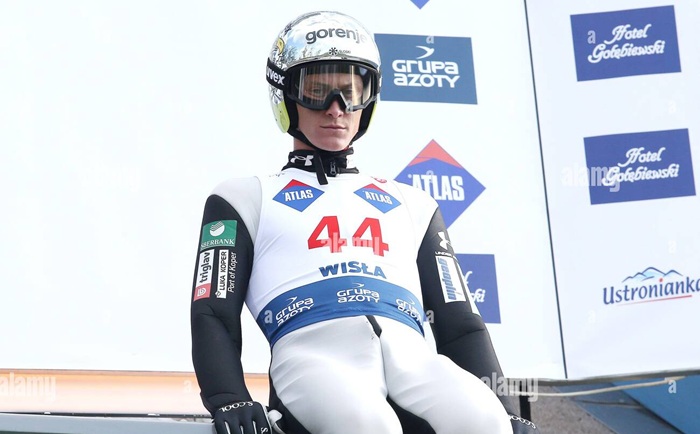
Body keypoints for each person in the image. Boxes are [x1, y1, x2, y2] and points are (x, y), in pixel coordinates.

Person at [190, 10, 539, 434]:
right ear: (285, 94)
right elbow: (212, 312)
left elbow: (461, 325)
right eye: (317, 91)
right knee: (369, 426)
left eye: (351, 91)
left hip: (414, 362)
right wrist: (229, 398)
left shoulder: (414, 203)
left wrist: (508, 410)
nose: (336, 109)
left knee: (485, 421)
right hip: (313, 361)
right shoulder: (241, 198)